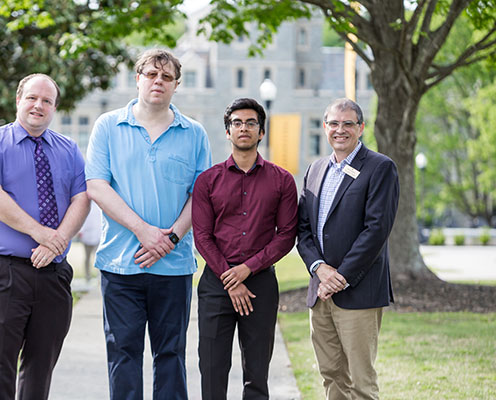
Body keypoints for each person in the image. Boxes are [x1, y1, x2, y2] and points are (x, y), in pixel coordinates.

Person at [84, 49, 212, 399]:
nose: (159, 81)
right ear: (138, 78)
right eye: (152, 74)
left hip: (174, 265)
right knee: (123, 354)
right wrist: (143, 231)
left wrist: (169, 238)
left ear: (176, 85)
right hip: (119, 264)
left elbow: (200, 197)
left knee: (170, 355)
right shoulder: (108, 126)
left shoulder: (195, 133)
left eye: (167, 77)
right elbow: (96, 185)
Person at [0, 73, 90, 399]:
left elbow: (82, 198)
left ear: (54, 108)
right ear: (18, 100)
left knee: (41, 369)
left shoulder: (68, 149)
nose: (39, 105)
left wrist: (58, 242)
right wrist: (41, 234)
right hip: (5, 272)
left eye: (47, 101)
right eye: (32, 98)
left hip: (53, 276)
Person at [192, 98, 298, 399]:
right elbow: (202, 236)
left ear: (261, 132)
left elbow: (286, 235)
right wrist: (230, 276)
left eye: (251, 123)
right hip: (216, 284)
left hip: (260, 285)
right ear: (227, 131)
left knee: (257, 374)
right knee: (212, 370)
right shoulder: (207, 181)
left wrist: (247, 269)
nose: (243, 128)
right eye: (237, 123)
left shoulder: (282, 181)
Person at [296, 98, 399, 400]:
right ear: (325, 127)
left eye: (348, 124)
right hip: (320, 293)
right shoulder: (315, 169)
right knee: (331, 375)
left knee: (361, 382)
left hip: (358, 292)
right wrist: (320, 269)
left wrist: (340, 276)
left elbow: (376, 230)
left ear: (361, 128)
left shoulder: (380, 168)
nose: (340, 130)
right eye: (333, 124)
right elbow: (303, 230)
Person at [77, 201, 102, 282]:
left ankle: (99, 277)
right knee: (87, 257)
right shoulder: (86, 205)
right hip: (87, 236)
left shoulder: (99, 206)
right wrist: (81, 231)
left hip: (97, 236)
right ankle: (87, 277)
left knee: (98, 258)